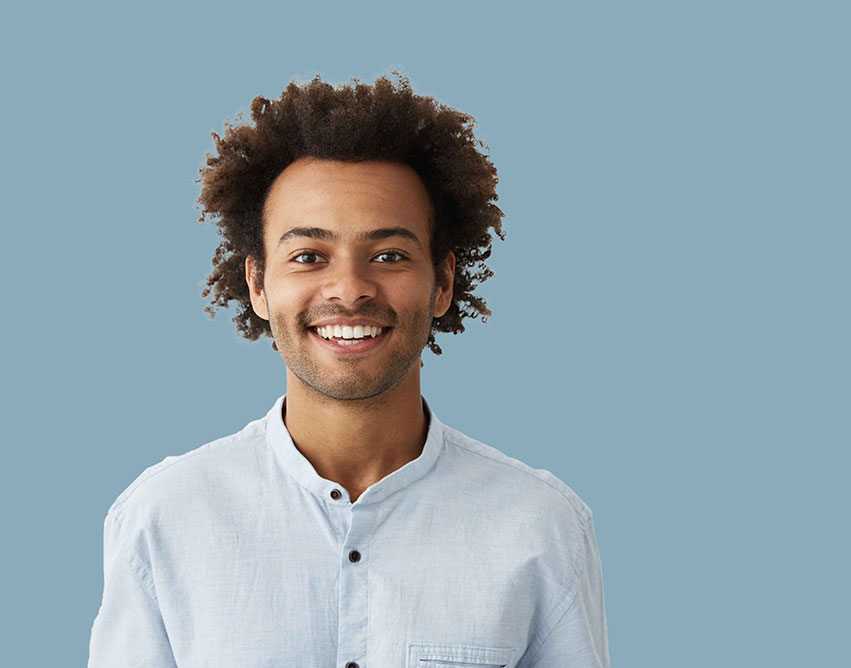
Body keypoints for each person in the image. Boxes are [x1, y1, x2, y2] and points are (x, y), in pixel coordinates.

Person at [87, 72, 609, 667]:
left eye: (389, 255)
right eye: (308, 256)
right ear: (258, 284)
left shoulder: (543, 526)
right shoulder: (163, 517)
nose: (350, 290)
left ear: (442, 281)